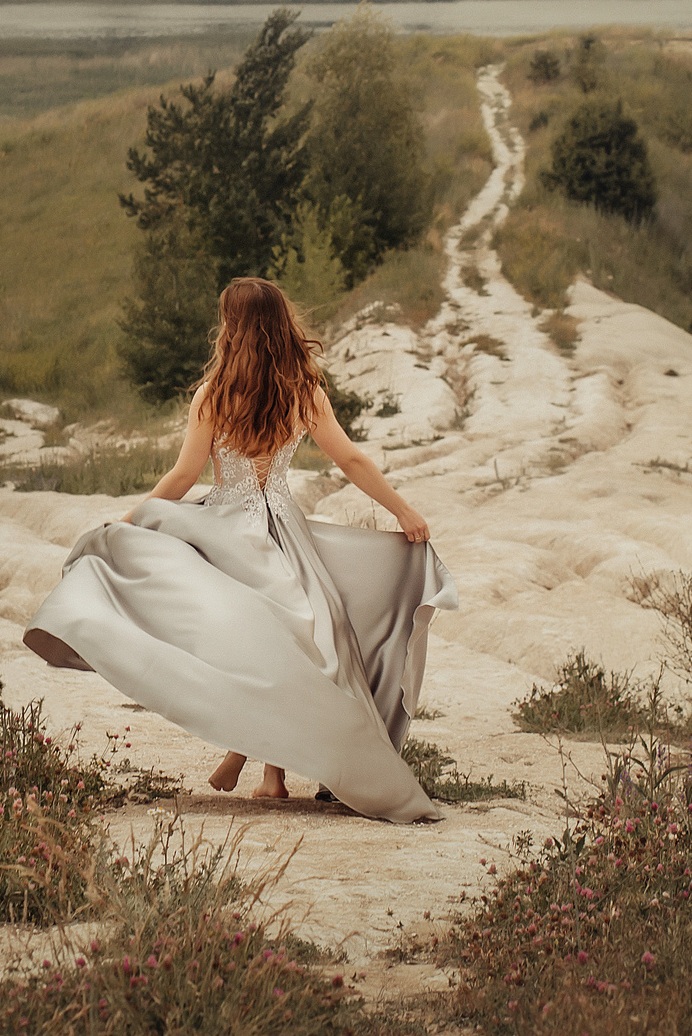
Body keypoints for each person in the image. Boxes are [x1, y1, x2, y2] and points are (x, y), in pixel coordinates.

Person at [23, 276, 456, 822]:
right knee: (302, 643)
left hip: (223, 529)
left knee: (244, 645)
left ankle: (260, 765)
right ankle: (265, 768)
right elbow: (350, 459)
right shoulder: (304, 391)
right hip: (283, 531)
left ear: (233, 327)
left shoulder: (214, 394)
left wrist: (129, 521)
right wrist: (402, 510)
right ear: (281, 326)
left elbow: (184, 476)